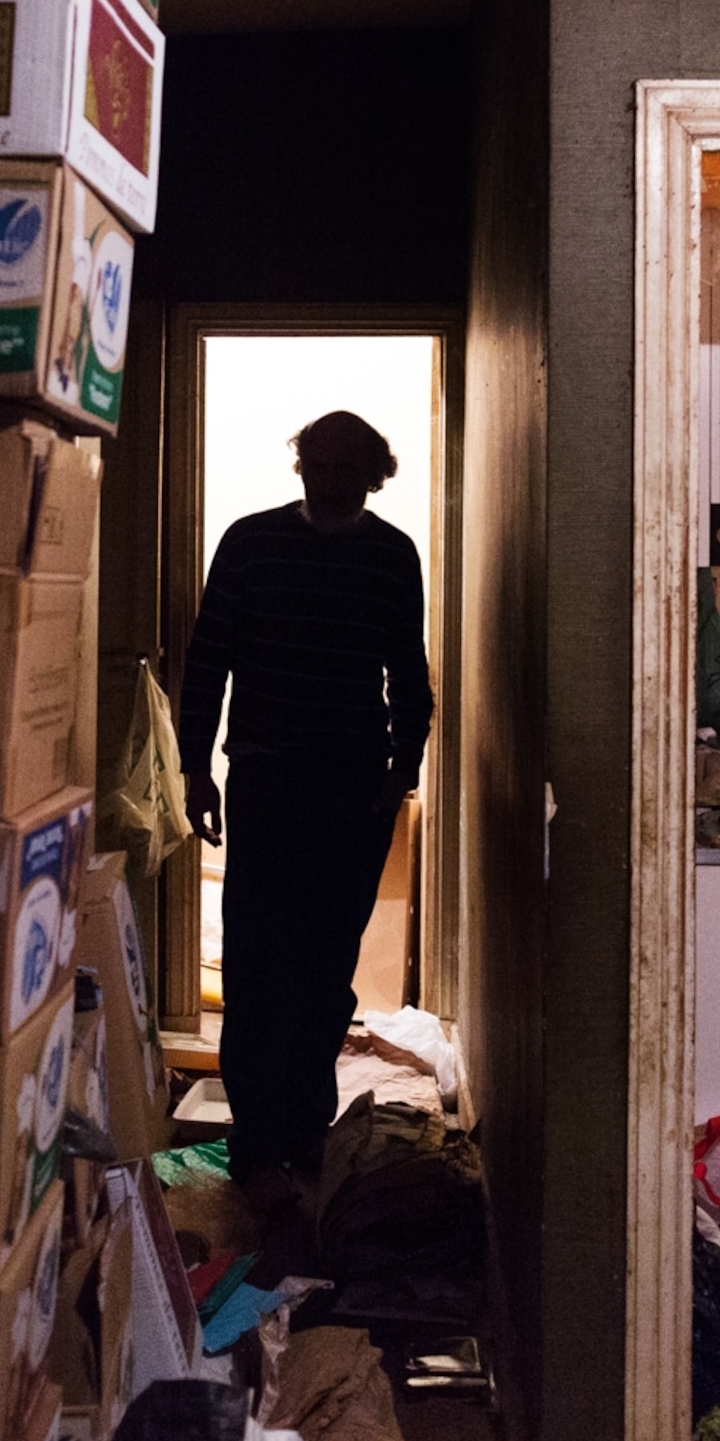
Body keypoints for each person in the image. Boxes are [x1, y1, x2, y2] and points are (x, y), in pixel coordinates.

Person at [177, 410, 434, 1224]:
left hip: (350, 792)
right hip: (265, 782)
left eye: (345, 465)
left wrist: (402, 770)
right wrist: (193, 766)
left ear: (372, 473)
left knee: (324, 971)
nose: (328, 477)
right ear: (301, 467)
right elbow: (207, 660)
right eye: (318, 462)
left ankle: (303, 1129)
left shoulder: (393, 556)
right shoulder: (248, 544)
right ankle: (260, 1147)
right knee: (259, 967)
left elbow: (409, 673)